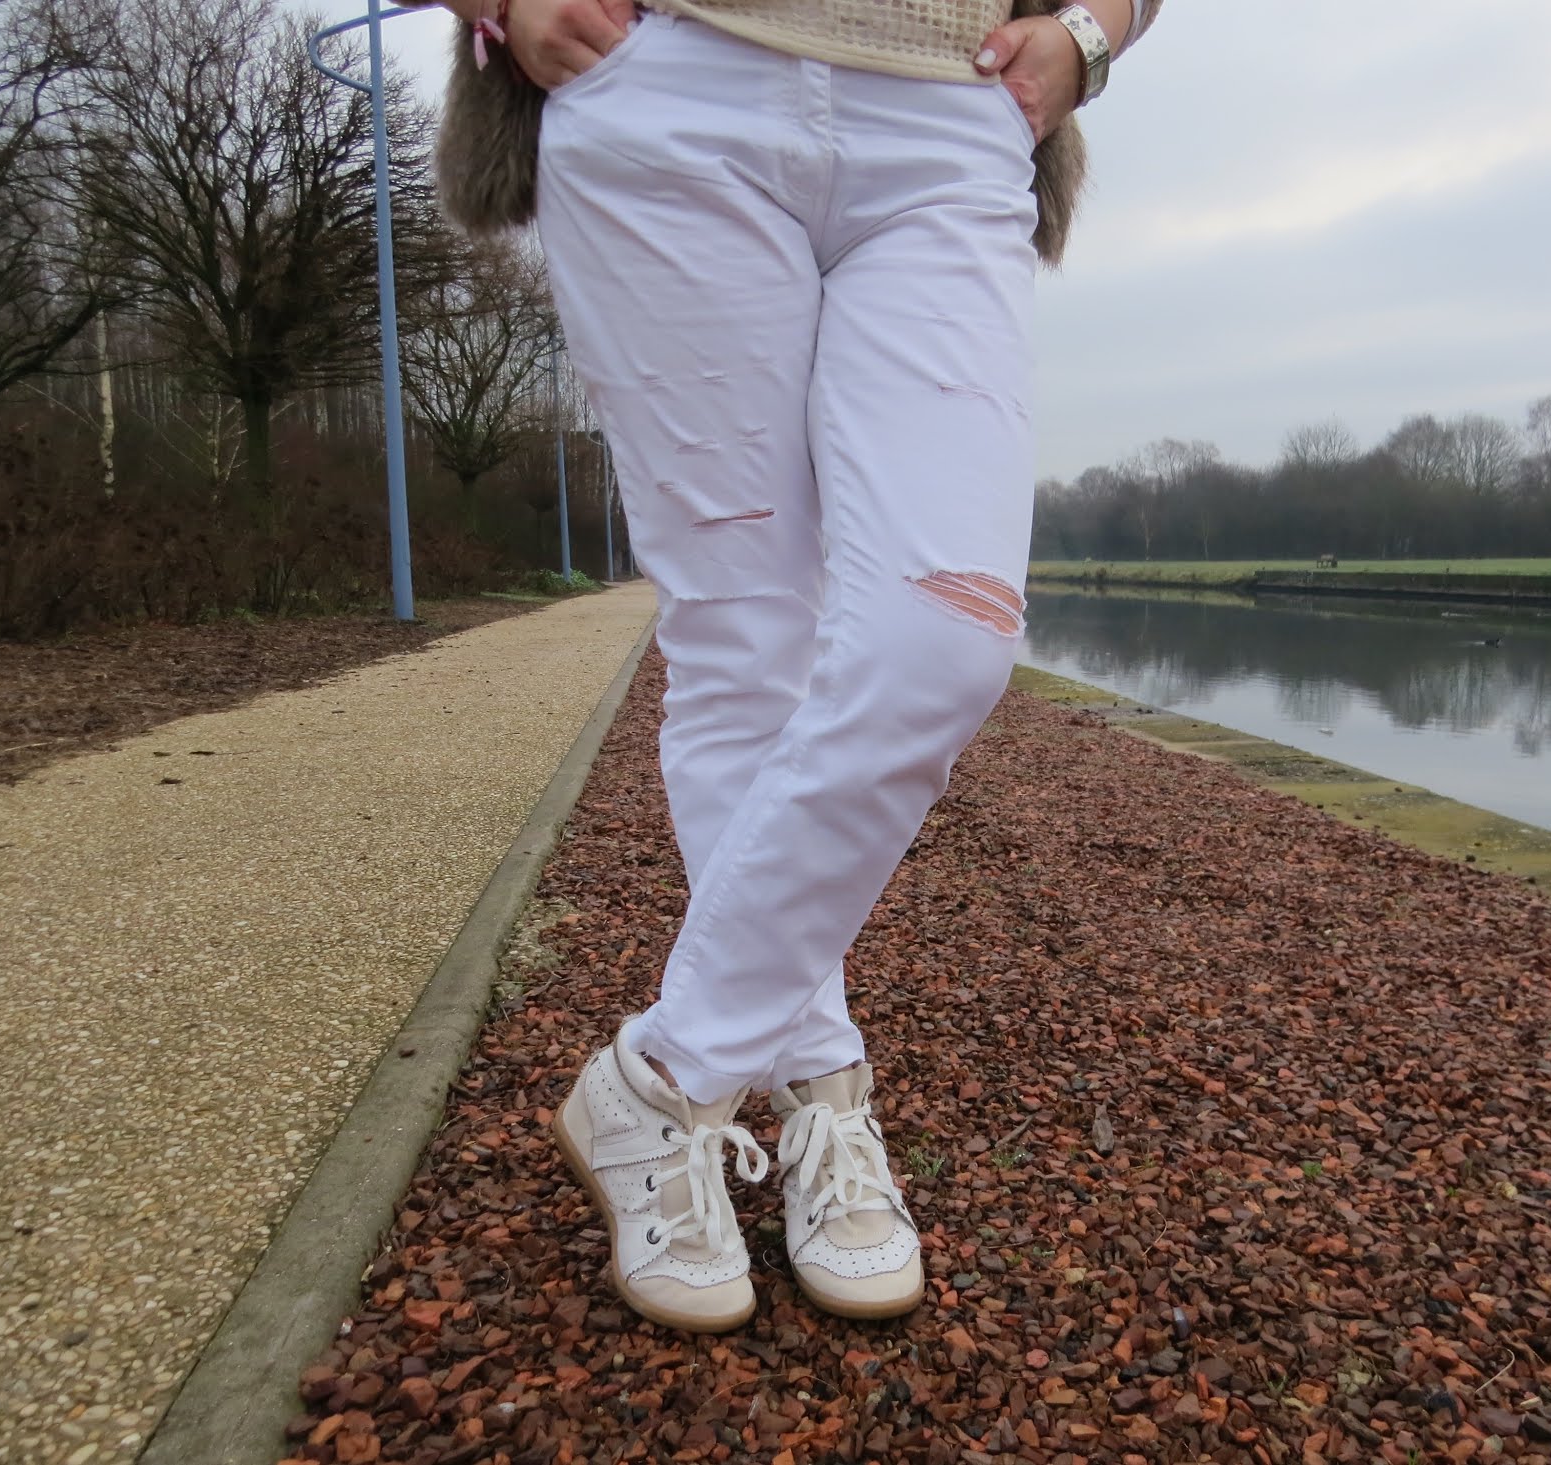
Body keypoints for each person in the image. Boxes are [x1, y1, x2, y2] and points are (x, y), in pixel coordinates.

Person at [411, 0, 1163, 1333]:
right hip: (666, 85)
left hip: (951, 105)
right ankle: (821, 1088)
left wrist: (1094, 32)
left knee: (946, 637)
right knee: (741, 642)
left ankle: (662, 1081)